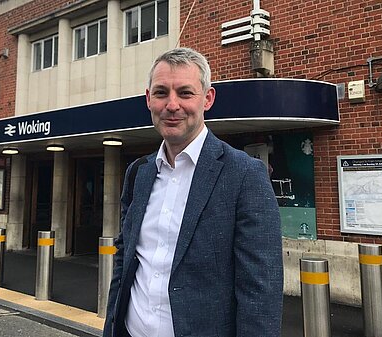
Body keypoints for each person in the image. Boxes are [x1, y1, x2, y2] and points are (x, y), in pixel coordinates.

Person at [103, 48, 283, 337]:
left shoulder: (245, 174)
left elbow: (260, 290)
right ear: (148, 99)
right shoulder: (138, 172)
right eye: (162, 93)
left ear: (207, 99)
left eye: (185, 93)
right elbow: (124, 262)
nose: (172, 105)